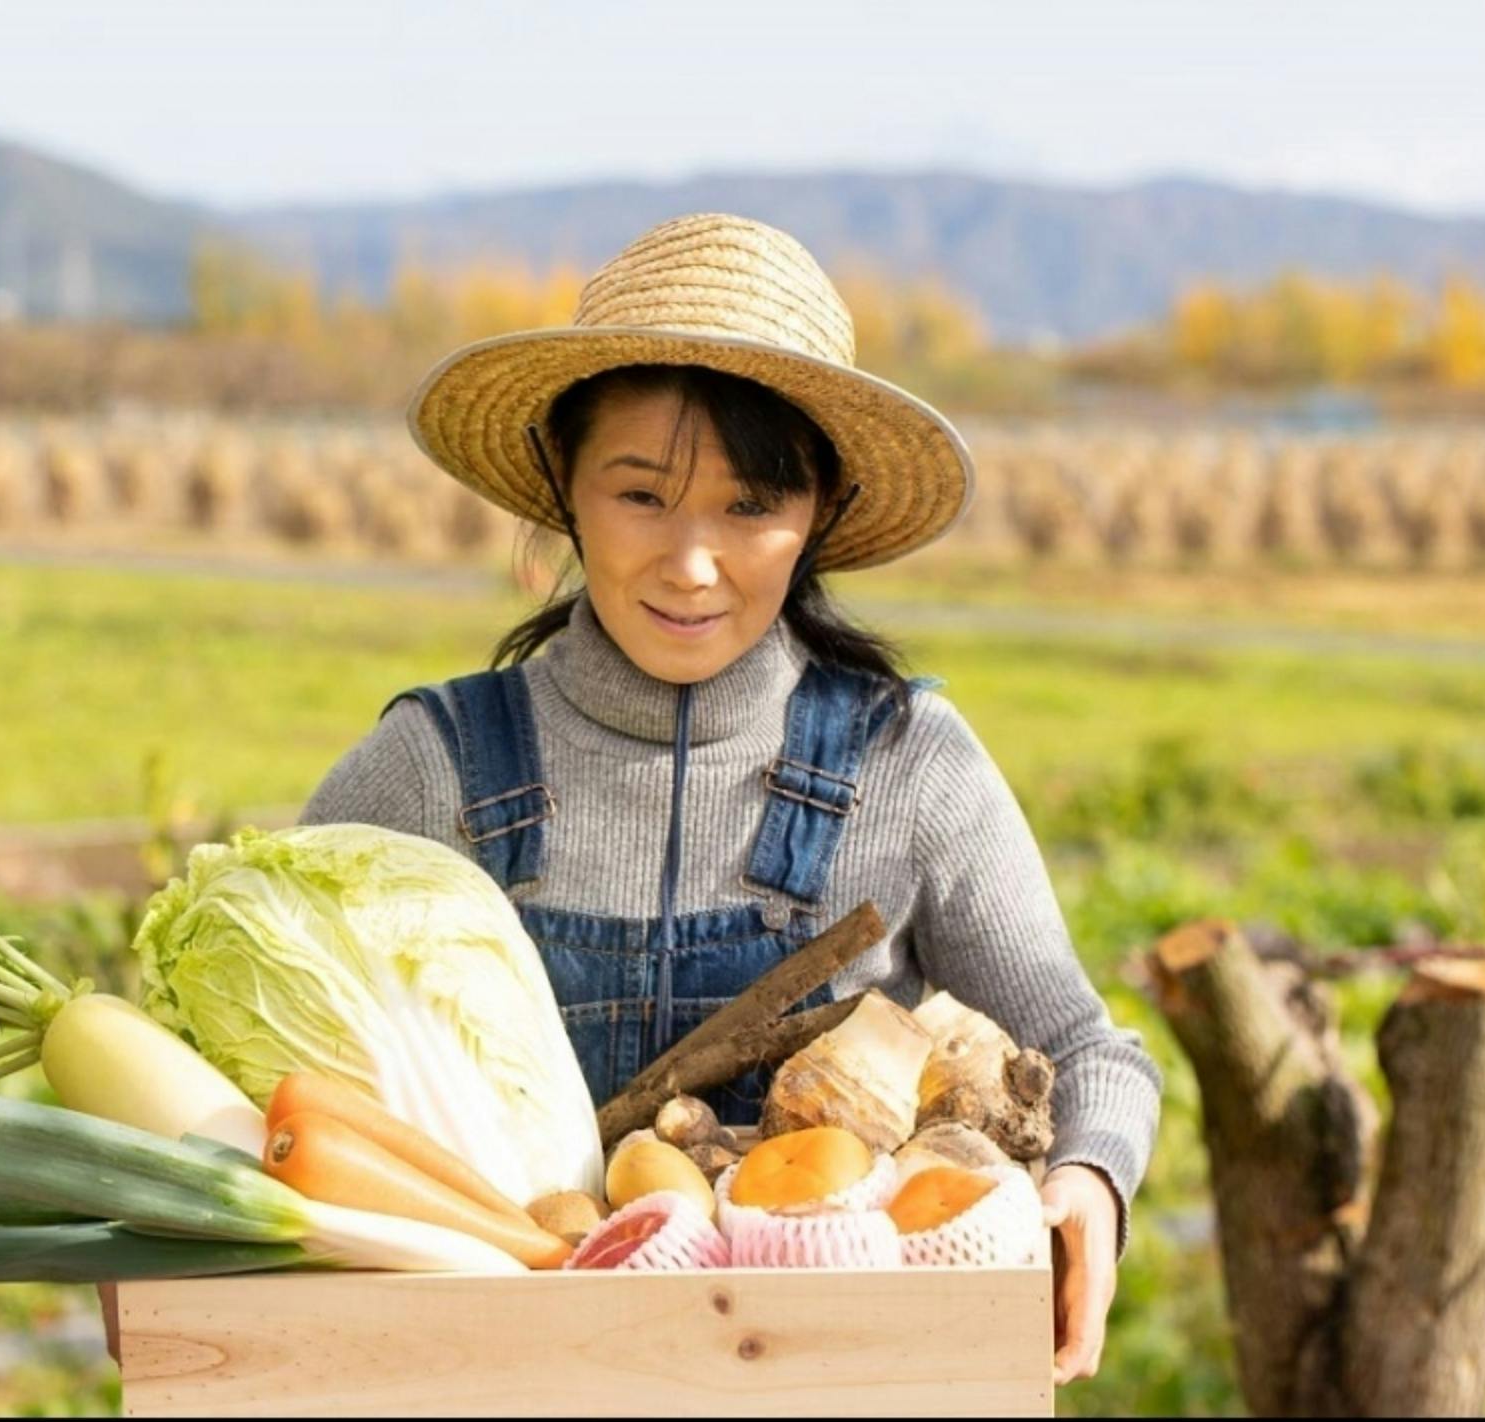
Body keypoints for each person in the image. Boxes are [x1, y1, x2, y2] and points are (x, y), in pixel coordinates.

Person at [299, 212, 1162, 1384]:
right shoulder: (433, 768)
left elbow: (1088, 1052)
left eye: (752, 507)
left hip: (840, 1390)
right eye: (642, 496)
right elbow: (263, 1089)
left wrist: (1089, 1183)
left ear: (820, 513)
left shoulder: (908, 765)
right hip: (506, 1393)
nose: (693, 563)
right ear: (564, 484)